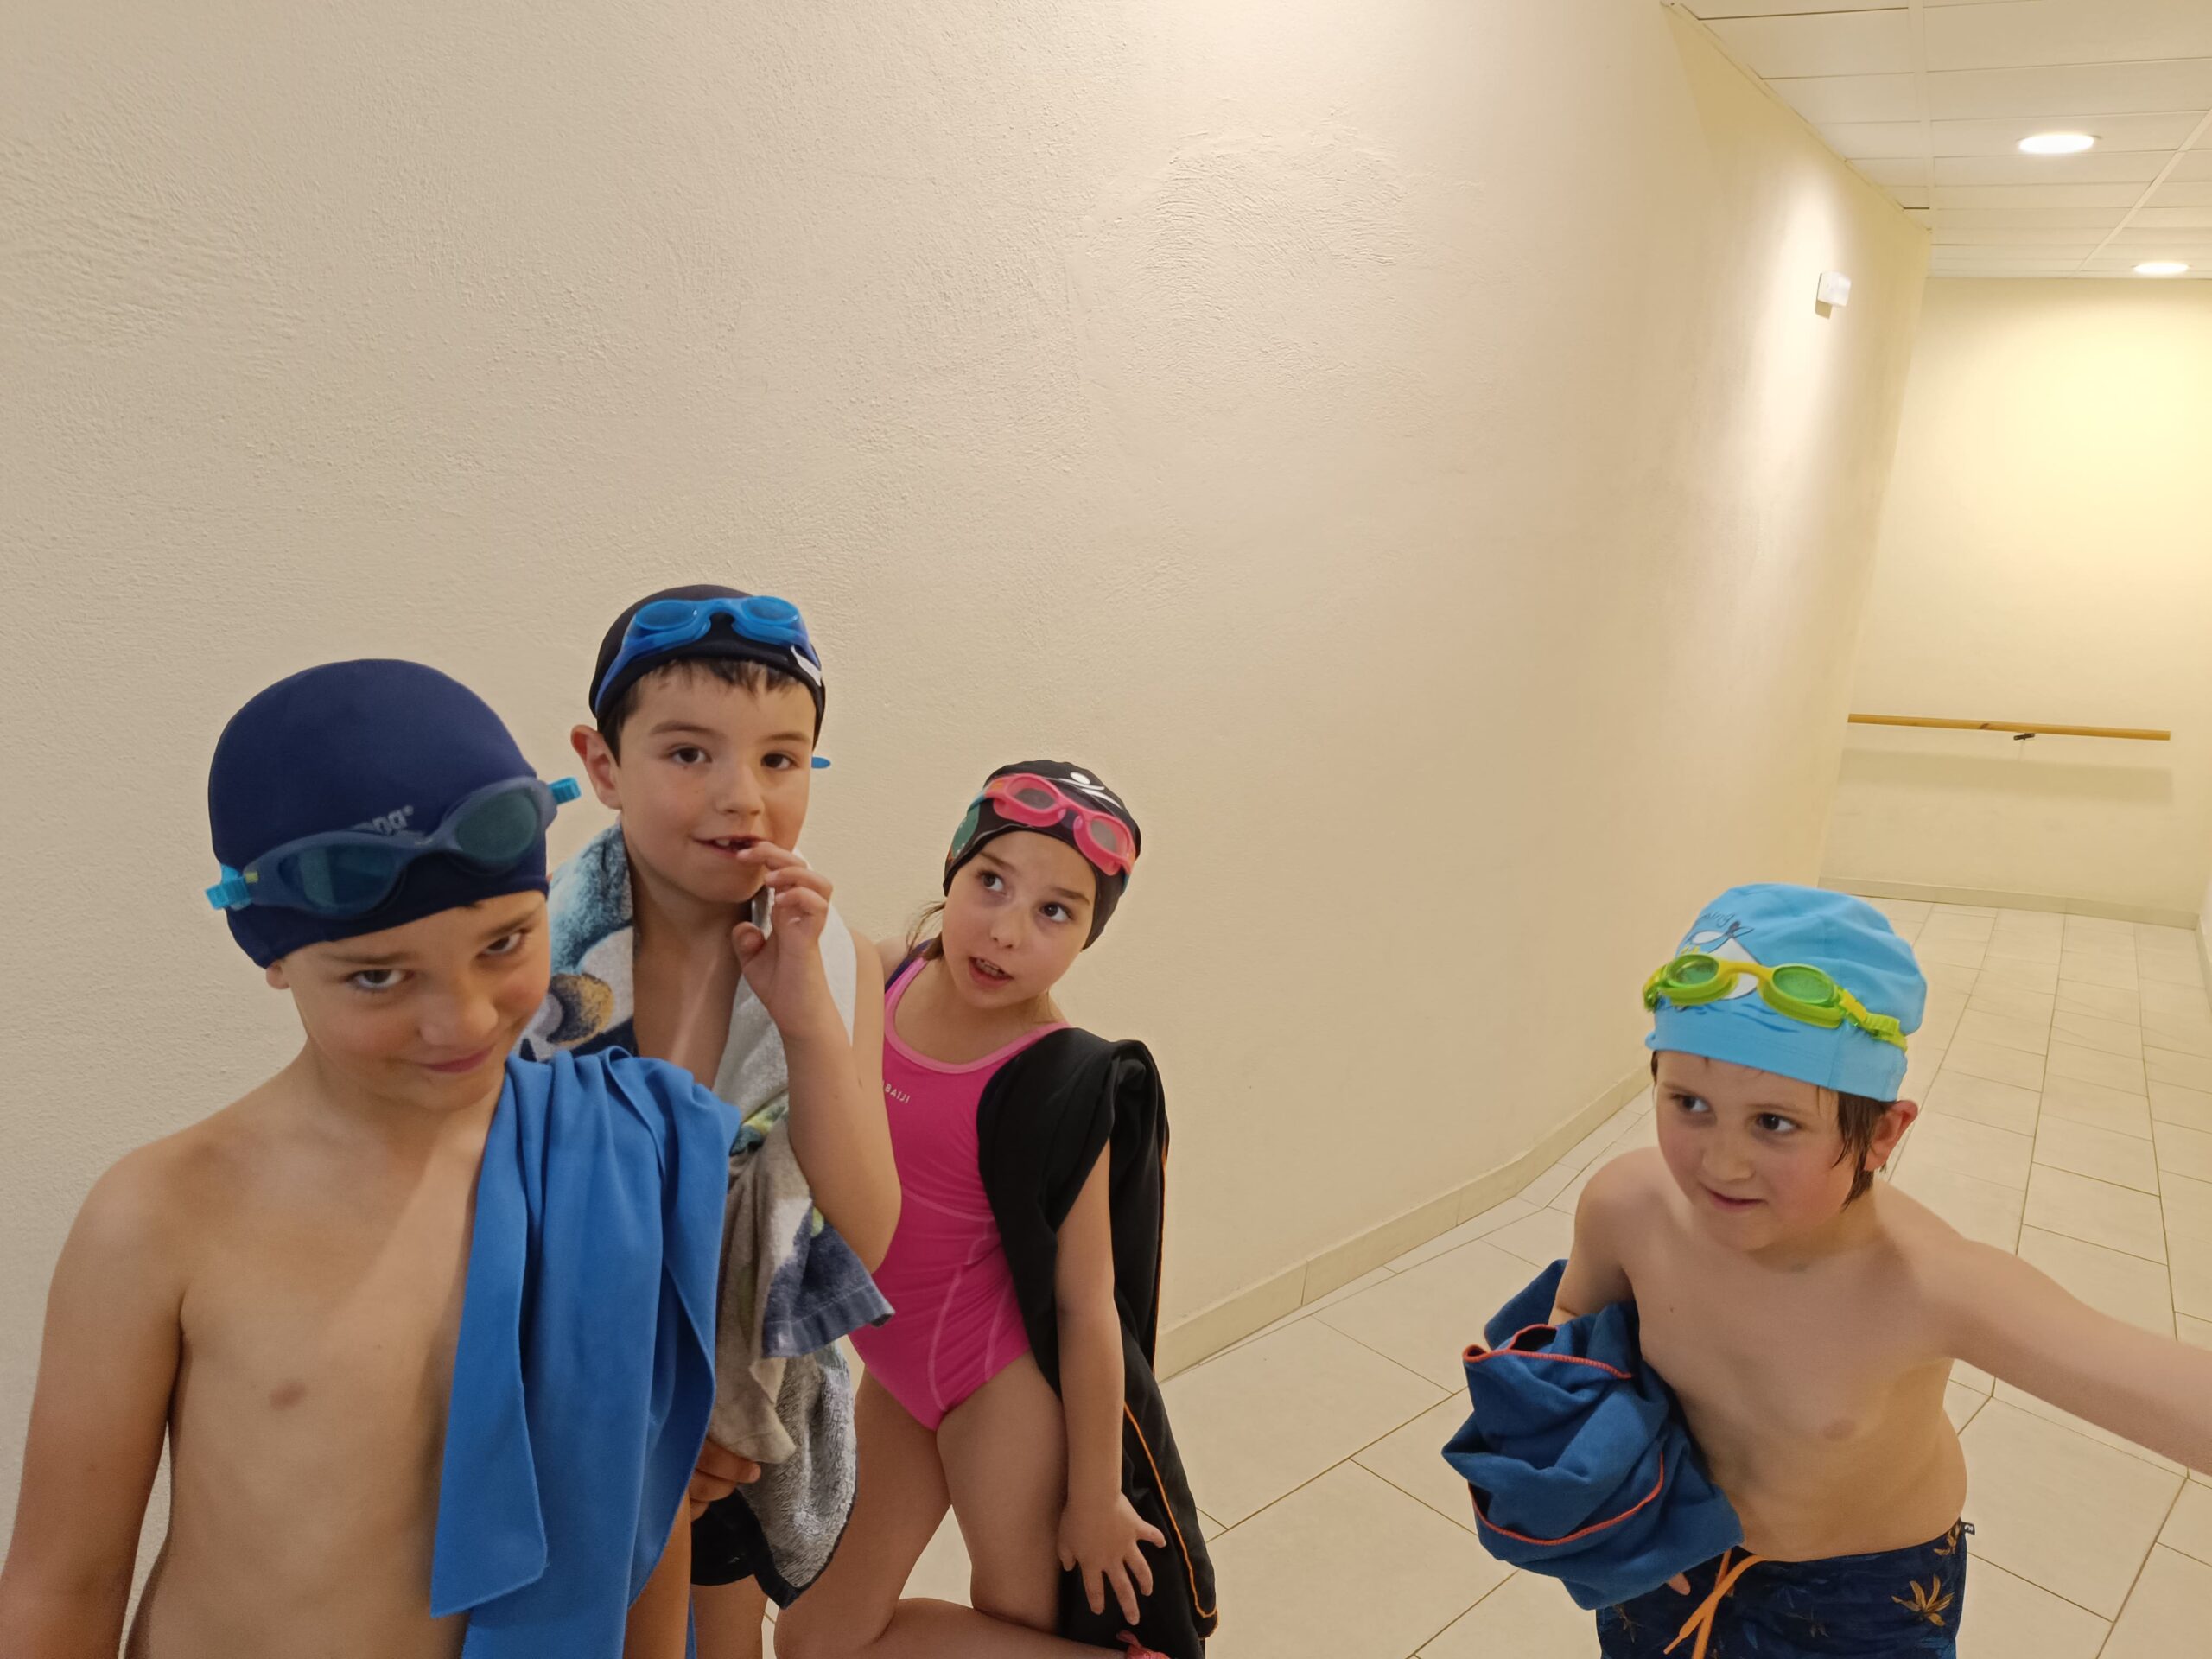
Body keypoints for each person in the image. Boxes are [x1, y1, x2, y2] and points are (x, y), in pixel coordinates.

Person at [0, 660, 893, 1659]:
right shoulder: (160, 1216)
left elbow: (643, 1543)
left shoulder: (623, 1157)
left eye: (505, 944)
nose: (461, 1020)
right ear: (273, 954)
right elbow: (62, 1589)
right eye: (378, 977)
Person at [1532, 883, 2212, 1657]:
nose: (1721, 1163)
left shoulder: (1927, 1284)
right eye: (1689, 1103)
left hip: (1861, 1591)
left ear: (1883, 1134)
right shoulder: (1626, 1206)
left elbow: (2148, 1381)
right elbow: (1570, 1332)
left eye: (1774, 1122)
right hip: (1668, 1545)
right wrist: (1612, 1495)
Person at [526, 585, 898, 1656]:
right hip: (554, 1410)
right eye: (689, 753)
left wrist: (808, 1019)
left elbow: (866, 1233)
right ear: (602, 765)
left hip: (735, 1416)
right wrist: (633, 1432)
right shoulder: (523, 956)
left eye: (781, 759)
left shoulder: (836, 963)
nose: (743, 798)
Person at [777, 763, 1216, 1659]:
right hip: (896, 1377)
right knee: (813, 1640)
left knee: (1014, 1621)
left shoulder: (1060, 1082)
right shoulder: (885, 980)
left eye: (1055, 911)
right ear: (953, 868)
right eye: (991, 882)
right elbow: (788, 977)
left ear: (1087, 936)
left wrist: (1094, 1495)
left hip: (1000, 1391)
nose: (1008, 930)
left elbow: (1089, 1308)